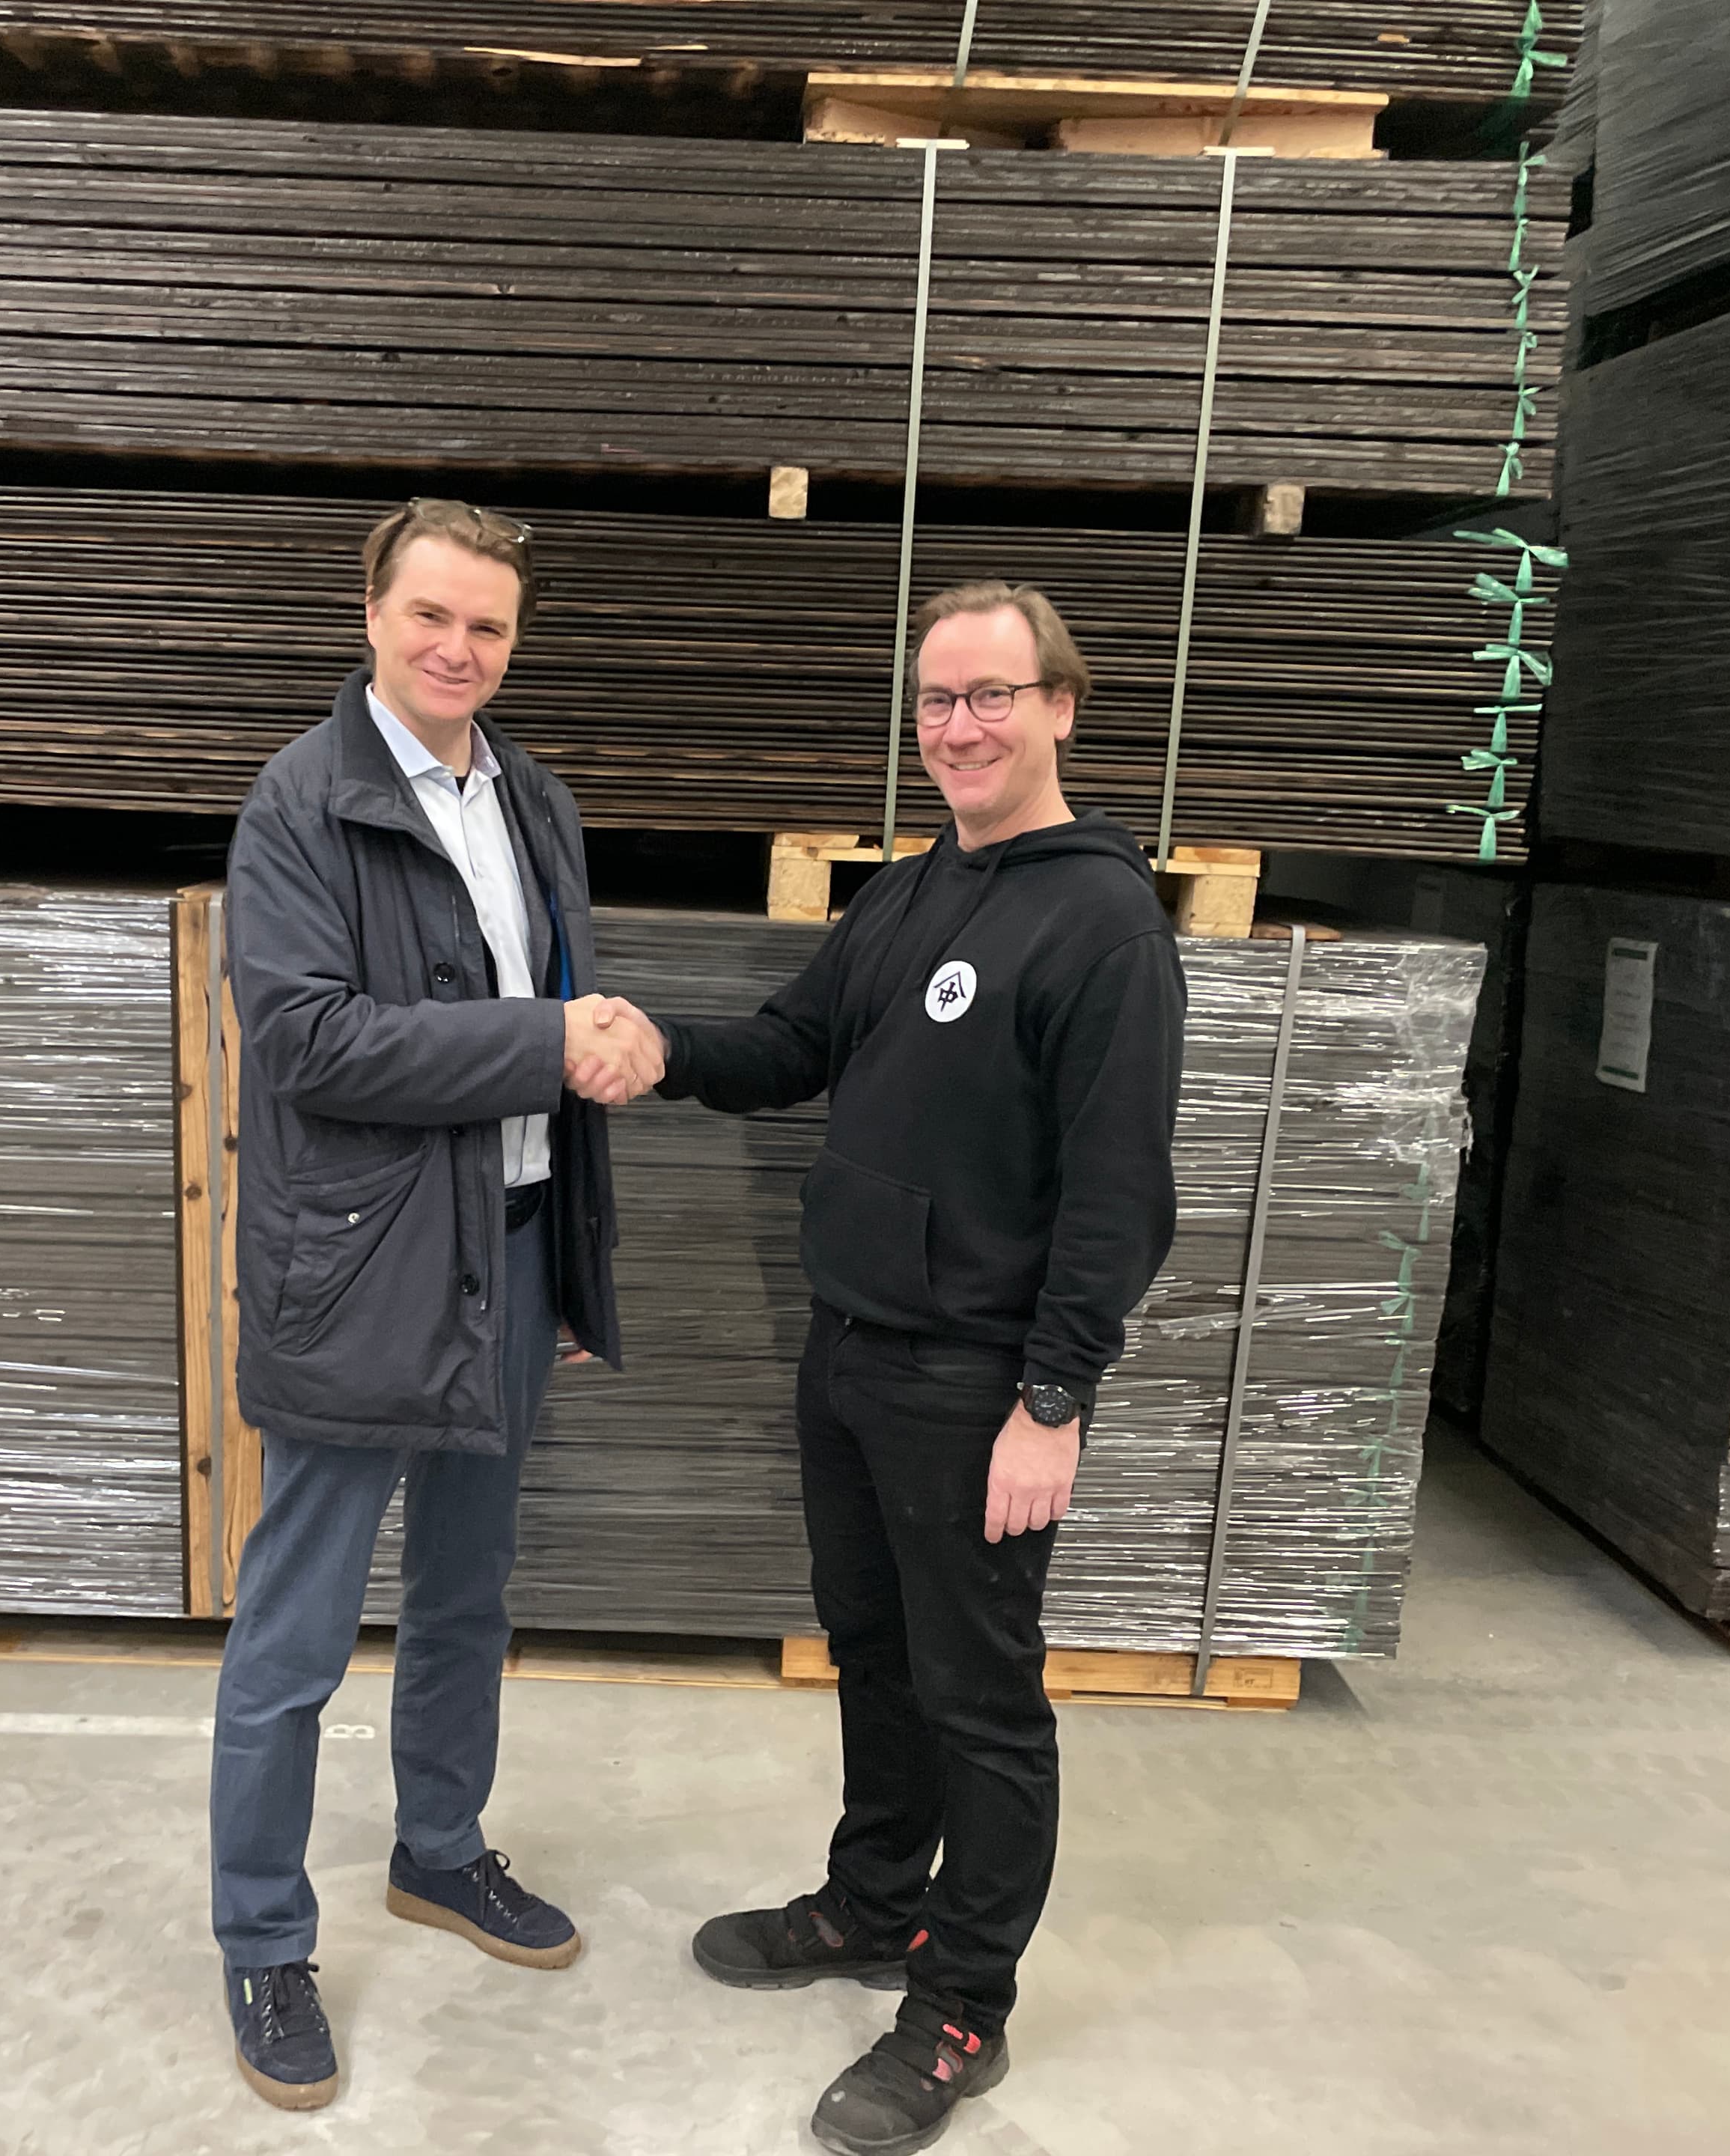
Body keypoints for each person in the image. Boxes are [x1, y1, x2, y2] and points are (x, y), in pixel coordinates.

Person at [598, 582, 1186, 2155]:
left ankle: (963, 2006)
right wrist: (662, 1053)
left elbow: (1123, 1196)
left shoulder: (1104, 926)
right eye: (939, 700)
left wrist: (1052, 1400)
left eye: (995, 696)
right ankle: (874, 1907)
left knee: (981, 1699)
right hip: (851, 1351)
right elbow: (799, 1046)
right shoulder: (920, 891)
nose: (962, 728)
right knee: (874, 1652)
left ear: (1063, 707)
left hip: (975, 1380)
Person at [208, 498, 663, 2112]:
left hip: (515, 1243)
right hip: (361, 1271)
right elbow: (313, 1044)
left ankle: (441, 1847)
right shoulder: (301, 806)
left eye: (488, 627)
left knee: (470, 1591)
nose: (458, 649)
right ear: (373, 614)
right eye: (432, 617)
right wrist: (550, 1040)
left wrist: (576, 1205)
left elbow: (550, 1034)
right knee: (296, 1632)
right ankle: (262, 1934)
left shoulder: (532, 798)